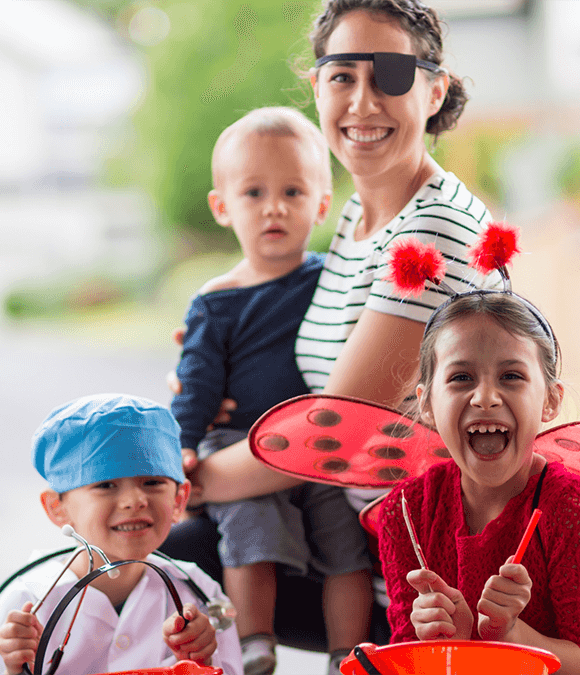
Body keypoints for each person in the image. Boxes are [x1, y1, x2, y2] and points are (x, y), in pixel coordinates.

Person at [163, 0, 499, 651]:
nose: (363, 101)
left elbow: (335, 431)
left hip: (415, 576)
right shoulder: (359, 216)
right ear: (317, 88)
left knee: (154, 554)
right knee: (142, 565)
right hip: (342, 531)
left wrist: (183, 482)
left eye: (392, 75)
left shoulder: (431, 230)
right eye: (343, 76)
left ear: (434, 90)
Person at [170, 106, 372, 675]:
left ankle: (348, 654)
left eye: (292, 191)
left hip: (322, 448)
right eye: (254, 193)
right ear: (222, 207)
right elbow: (195, 386)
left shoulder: (336, 279)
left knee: (346, 549)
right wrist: (182, 445)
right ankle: (255, 643)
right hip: (241, 441)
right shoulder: (217, 301)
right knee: (248, 527)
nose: (274, 207)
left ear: (322, 204)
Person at [377, 286, 580, 674]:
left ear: (550, 400)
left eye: (511, 376)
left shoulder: (567, 507)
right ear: (426, 403)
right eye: (461, 377)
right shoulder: (406, 512)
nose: (486, 397)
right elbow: (404, 662)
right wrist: (444, 642)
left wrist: (510, 635)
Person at [0, 394, 243, 675]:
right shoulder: (20, 607)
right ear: (57, 508)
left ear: (179, 501)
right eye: (105, 485)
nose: (135, 501)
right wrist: (13, 670)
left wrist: (202, 660)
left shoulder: (201, 596)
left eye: (153, 482)